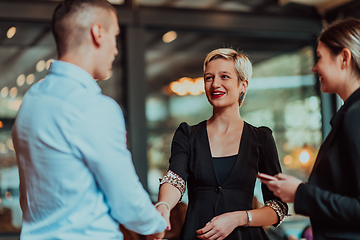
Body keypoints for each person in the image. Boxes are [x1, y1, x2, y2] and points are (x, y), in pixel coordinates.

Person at [11, 0, 167, 239]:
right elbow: (125, 197)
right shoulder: (93, 106)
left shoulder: (31, 101)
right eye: (115, 36)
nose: (116, 50)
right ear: (98, 33)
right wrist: (155, 225)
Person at [150, 48, 289, 240]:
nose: (215, 84)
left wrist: (239, 218)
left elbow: (278, 208)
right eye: (209, 78)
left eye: (224, 76)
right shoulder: (187, 135)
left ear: (243, 85)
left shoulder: (261, 139)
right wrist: (163, 205)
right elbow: (175, 178)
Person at [260, 18, 360, 240]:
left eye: (320, 57)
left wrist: (299, 192)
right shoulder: (348, 115)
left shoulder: (355, 116)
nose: (315, 67)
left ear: (344, 58)